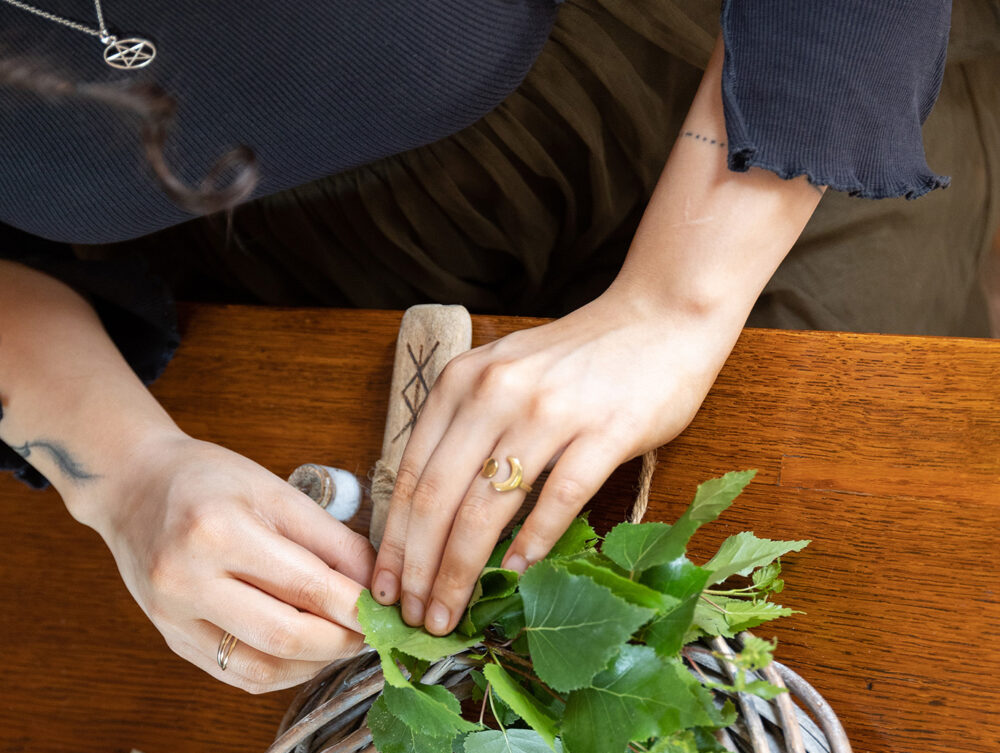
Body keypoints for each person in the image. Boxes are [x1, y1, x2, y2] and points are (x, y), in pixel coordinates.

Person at [1, 0, 997, 692]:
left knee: (843, 584)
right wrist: (126, 475)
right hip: (262, 278)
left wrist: (671, 308)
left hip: (727, 107)